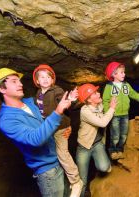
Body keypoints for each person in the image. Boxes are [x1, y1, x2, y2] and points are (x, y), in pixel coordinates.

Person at [0, 68, 71, 197]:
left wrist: (65, 125)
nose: (20, 84)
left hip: (60, 159)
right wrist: (58, 112)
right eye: (14, 81)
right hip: (47, 170)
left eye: (20, 81)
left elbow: (49, 113)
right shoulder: (7, 120)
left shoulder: (31, 102)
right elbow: (35, 139)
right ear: (2, 88)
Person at [32, 64, 83, 197]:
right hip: (49, 129)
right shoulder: (38, 93)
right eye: (42, 77)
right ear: (37, 81)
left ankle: (76, 181)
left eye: (48, 77)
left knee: (62, 153)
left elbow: (65, 102)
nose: (45, 79)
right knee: (52, 153)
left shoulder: (57, 90)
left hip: (60, 128)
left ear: (52, 79)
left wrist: (71, 99)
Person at [103, 62, 139, 160]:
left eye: (124, 72)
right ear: (114, 74)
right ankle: (113, 151)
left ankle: (120, 150)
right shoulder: (109, 87)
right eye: (121, 72)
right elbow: (105, 101)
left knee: (123, 134)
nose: (124, 74)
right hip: (114, 115)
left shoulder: (126, 85)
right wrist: (107, 114)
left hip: (125, 114)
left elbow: (134, 94)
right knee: (115, 135)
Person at [76, 84, 117, 197]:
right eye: (94, 93)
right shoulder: (85, 111)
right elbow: (103, 122)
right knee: (82, 179)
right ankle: (83, 194)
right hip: (84, 147)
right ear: (88, 100)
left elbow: (104, 107)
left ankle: (100, 165)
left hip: (98, 144)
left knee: (104, 167)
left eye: (97, 91)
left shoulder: (99, 105)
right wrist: (112, 108)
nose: (99, 93)